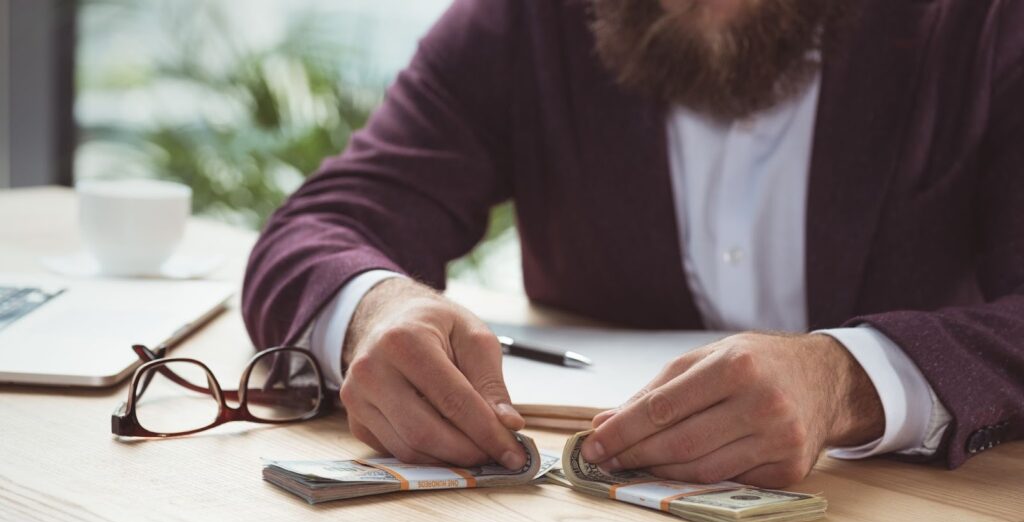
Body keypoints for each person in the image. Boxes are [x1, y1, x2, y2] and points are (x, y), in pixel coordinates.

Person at [242, 0, 1024, 487]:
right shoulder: (525, 23)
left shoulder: (984, 24)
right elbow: (321, 227)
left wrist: (850, 380)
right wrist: (377, 310)